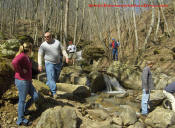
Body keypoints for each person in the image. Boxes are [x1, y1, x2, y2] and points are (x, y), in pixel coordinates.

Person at [12, 42, 39, 126]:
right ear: (29, 49)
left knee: (35, 96)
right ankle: (20, 119)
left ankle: (24, 109)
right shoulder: (22, 56)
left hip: (27, 80)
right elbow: (14, 62)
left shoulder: (26, 56)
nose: (32, 50)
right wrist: (20, 71)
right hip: (22, 81)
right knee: (22, 100)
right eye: (32, 49)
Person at [38, 32, 69, 98]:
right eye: (45, 37)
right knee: (51, 77)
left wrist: (66, 56)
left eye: (48, 36)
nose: (46, 38)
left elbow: (63, 50)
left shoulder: (57, 42)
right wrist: (40, 65)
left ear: (51, 36)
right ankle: (54, 92)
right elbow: (40, 55)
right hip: (48, 63)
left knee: (54, 79)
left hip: (58, 63)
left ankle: (45, 88)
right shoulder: (43, 45)